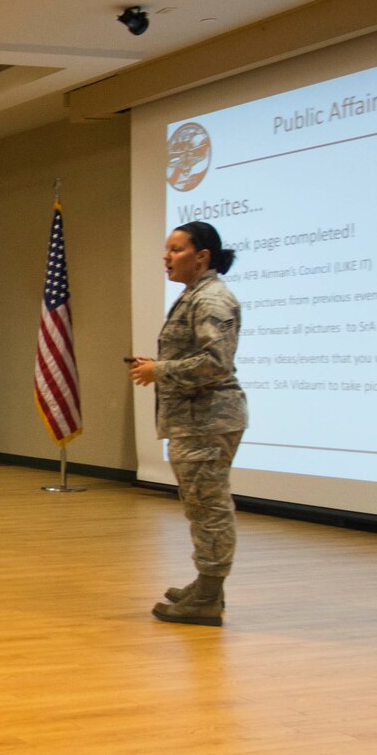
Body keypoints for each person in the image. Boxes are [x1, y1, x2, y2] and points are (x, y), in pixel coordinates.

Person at [129, 221, 247, 627]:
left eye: (176, 250)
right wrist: (160, 368)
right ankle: (206, 585)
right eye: (166, 249)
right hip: (196, 420)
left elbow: (216, 363)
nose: (166, 257)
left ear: (202, 257)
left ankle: (208, 598)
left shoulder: (212, 299)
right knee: (201, 506)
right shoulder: (194, 296)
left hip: (206, 421)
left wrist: (160, 369)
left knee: (208, 508)